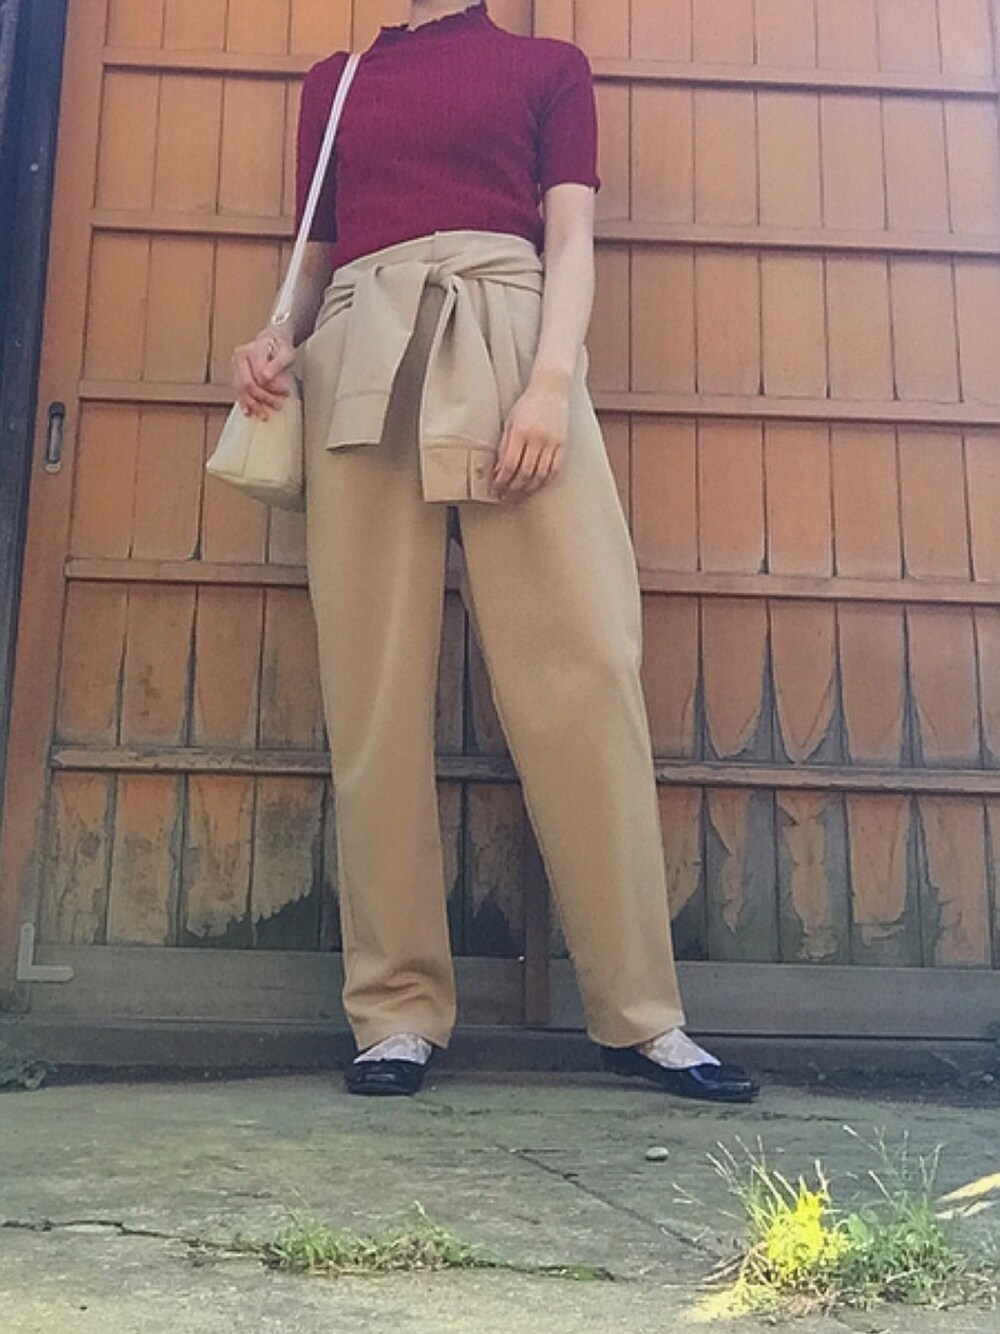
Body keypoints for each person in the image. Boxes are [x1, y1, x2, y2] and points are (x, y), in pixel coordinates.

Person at [230, 0, 759, 1104]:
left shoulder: (550, 66)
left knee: (587, 664)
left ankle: (642, 1014)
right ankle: (394, 1010)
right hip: (360, 350)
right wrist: (275, 338)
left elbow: (569, 238)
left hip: (516, 338)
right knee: (371, 689)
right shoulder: (335, 82)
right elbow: (315, 260)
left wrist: (551, 383)